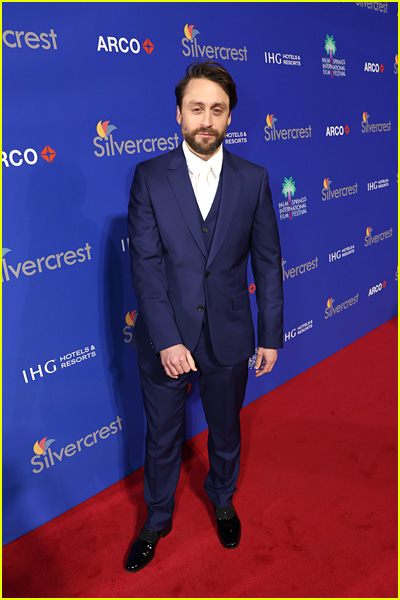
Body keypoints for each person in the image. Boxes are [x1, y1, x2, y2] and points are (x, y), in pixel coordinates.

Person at [126, 60, 283, 572]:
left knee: (226, 430)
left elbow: (268, 260)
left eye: (217, 109)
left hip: (231, 333)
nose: (206, 119)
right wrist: (168, 340)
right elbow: (146, 267)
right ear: (179, 115)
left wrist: (271, 334)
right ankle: (157, 518)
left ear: (230, 117)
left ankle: (221, 499)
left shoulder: (253, 179)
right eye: (197, 108)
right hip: (165, 339)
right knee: (163, 436)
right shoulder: (149, 176)